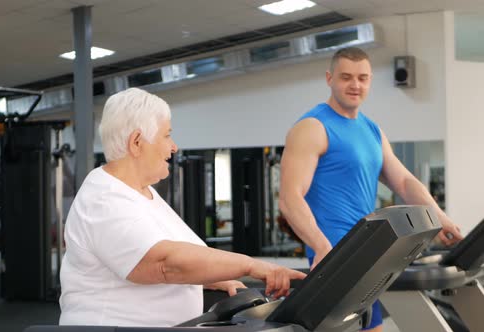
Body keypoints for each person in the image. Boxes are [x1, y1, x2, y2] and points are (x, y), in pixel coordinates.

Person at [59, 88, 306, 327]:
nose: (174, 146)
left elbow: (178, 257)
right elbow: (164, 263)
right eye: (167, 135)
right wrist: (251, 265)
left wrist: (220, 279)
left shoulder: (142, 193)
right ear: (136, 142)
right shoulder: (105, 199)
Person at [278, 47, 463, 332]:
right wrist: (321, 248)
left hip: (369, 255)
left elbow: (403, 181)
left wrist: (438, 216)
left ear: (370, 81)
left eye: (363, 78)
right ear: (329, 78)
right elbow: (290, 198)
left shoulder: (372, 130)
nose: (355, 85)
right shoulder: (312, 127)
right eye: (346, 77)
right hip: (336, 256)